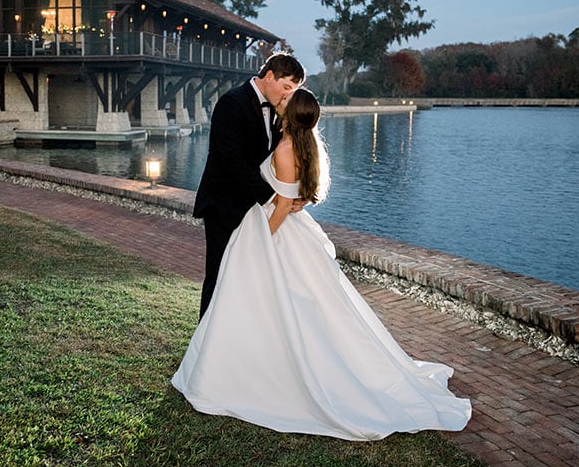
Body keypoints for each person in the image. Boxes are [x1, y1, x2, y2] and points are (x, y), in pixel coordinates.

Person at [173, 89, 472, 440]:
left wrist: (259, 240)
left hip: (275, 231)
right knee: (291, 303)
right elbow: (292, 193)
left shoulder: (286, 149)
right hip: (286, 228)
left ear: (290, 115)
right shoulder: (303, 145)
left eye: (285, 102)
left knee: (282, 302)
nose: (279, 102)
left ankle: (270, 368)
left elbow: (283, 205)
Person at [193, 52, 306, 318]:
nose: (288, 95)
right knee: (219, 275)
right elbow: (233, 162)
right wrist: (276, 199)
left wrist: (298, 195)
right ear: (269, 76)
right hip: (224, 206)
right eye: (287, 87)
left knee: (247, 279)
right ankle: (204, 345)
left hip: (254, 210)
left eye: (294, 91)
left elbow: (290, 158)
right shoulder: (231, 103)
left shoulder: (280, 110)